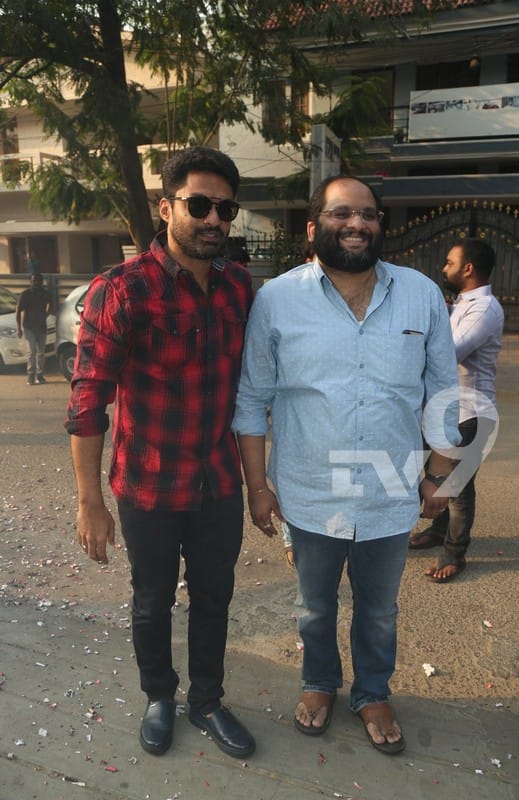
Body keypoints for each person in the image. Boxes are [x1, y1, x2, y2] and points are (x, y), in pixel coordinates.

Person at [232, 175, 460, 755]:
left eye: (368, 214)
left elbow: (443, 393)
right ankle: (319, 682)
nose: (357, 223)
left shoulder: (420, 295)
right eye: (342, 213)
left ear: (380, 224)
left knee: (379, 610)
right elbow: (253, 397)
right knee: (314, 605)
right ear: (313, 228)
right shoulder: (277, 299)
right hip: (309, 489)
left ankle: (372, 691)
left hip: (390, 488)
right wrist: (257, 486)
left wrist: (440, 474)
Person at [65, 146, 256, 759]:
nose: (213, 219)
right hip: (147, 484)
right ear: (166, 207)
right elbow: (87, 402)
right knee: (152, 600)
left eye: (225, 209)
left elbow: (256, 388)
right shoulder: (122, 290)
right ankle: (159, 696)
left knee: (214, 598)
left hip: (217, 483)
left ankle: (207, 701)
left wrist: (259, 483)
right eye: (199, 205)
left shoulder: (238, 288)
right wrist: (89, 502)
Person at [409, 238, 504, 582]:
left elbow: (449, 353)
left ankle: (454, 554)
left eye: (449, 263)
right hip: (445, 408)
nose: (443, 268)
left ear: (468, 268)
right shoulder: (460, 304)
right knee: (437, 477)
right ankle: (439, 530)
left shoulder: (485, 309)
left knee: (458, 488)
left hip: (470, 412)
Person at [16, 272, 52, 385]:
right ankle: (31, 376)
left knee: (41, 353)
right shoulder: (25, 294)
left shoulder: (45, 294)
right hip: (29, 327)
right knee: (31, 352)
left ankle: (40, 375)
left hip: (41, 327)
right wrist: (18, 328)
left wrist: (46, 314)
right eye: (34, 280)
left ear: (42, 282)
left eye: (38, 281)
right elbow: (18, 311)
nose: (36, 283)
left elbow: (51, 305)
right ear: (30, 282)